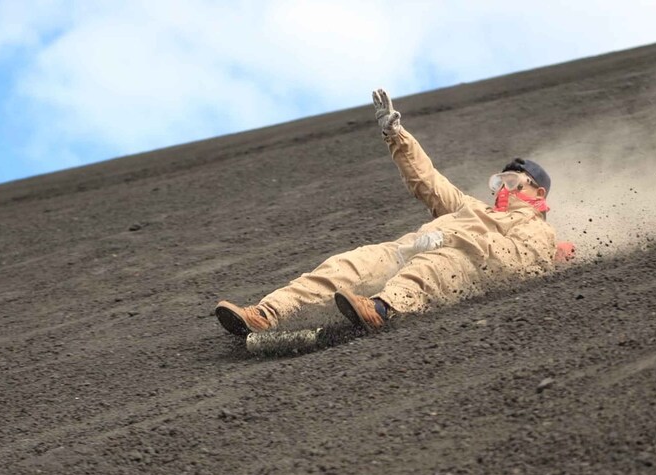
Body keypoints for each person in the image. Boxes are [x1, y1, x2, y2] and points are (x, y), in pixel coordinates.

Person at [215, 89, 573, 336]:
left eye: (513, 179)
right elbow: (428, 180)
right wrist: (396, 134)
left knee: (435, 264)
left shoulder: (537, 228)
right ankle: (265, 314)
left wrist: (451, 239)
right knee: (351, 263)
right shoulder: (471, 206)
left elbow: (518, 261)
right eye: (500, 179)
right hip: (411, 249)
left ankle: (381, 308)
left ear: (537, 192)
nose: (503, 186)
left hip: (460, 265)